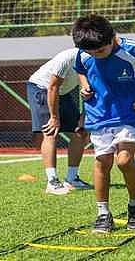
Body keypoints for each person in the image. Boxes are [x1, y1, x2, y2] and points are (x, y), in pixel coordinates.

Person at [73, 14, 135, 233]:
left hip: (129, 113)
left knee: (124, 161)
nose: (96, 56)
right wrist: (84, 87)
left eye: (100, 51)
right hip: (98, 114)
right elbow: (80, 71)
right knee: (102, 162)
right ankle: (103, 214)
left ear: (111, 38)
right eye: (91, 53)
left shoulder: (133, 49)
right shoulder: (84, 53)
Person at [27, 48, 92, 196]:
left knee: (80, 132)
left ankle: (72, 179)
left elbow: (92, 91)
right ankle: (52, 181)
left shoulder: (99, 60)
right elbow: (53, 87)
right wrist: (54, 117)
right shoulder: (67, 57)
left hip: (62, 91)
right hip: (42, 87)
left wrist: (84, 115)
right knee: (50, 131)